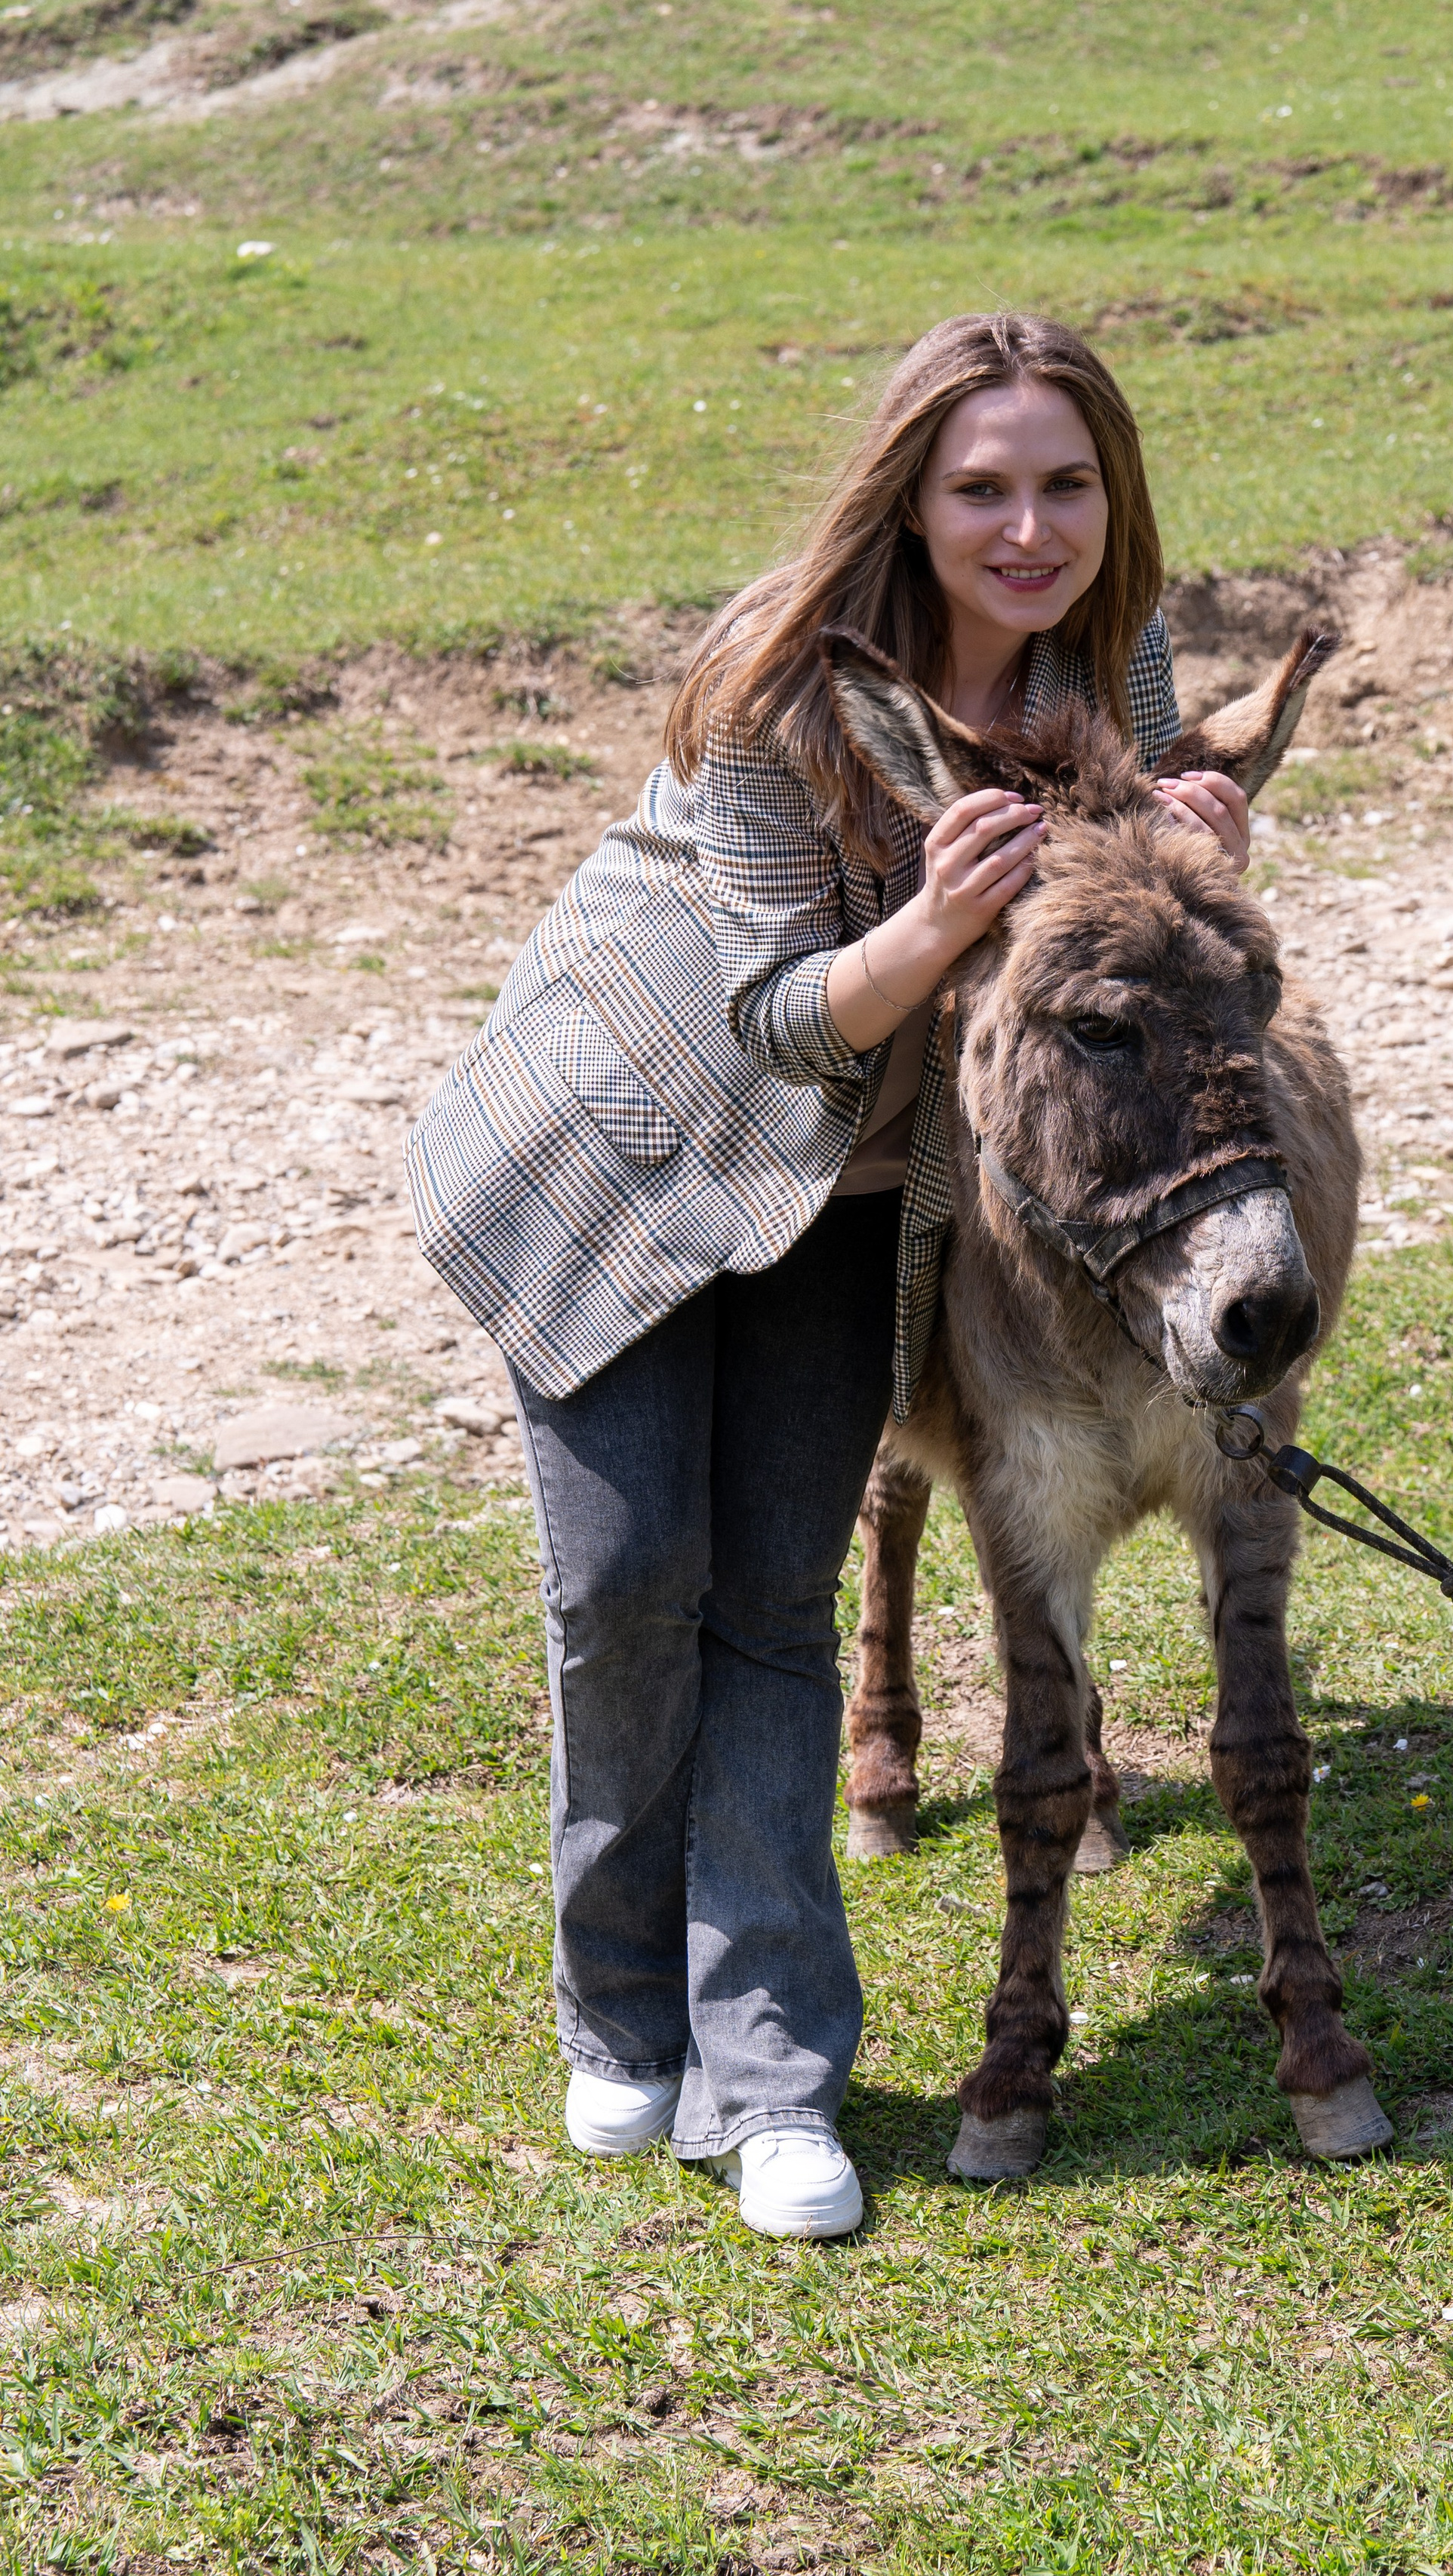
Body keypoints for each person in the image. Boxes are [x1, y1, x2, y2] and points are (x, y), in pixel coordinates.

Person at [407, 311, 1252, 2239]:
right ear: (912, 496)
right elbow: (782, 1010)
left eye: (1062, 484)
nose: (1026, 525)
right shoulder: (774, 677)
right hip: (624, 1152)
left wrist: (1193, 836)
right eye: (983, 488)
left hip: (849, 1189)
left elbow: (1113, 916)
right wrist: (945, 912)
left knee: (776, 1598)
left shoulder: (1110, 653)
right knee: (628, 1585)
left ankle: (774, 2075)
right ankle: (618, 2015)